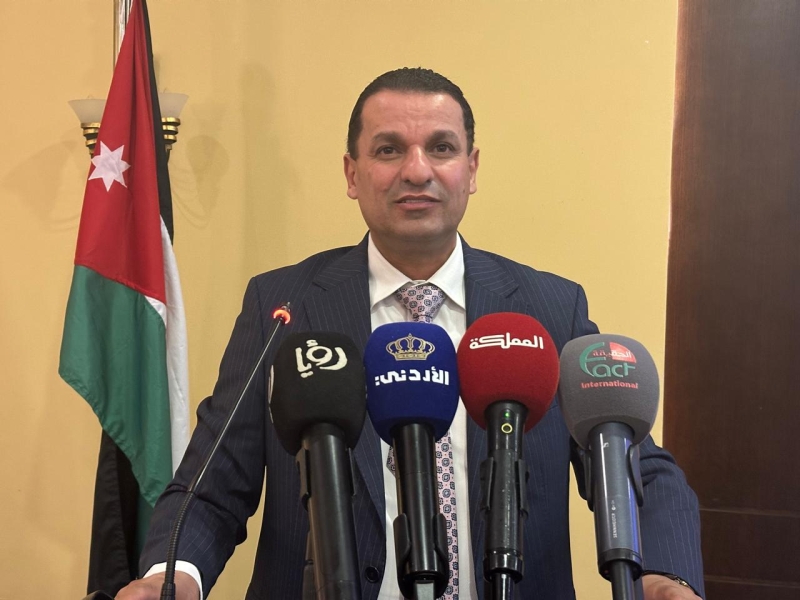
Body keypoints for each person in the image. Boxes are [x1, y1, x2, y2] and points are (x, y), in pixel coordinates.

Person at [117, 68, 704, 600]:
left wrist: (666, 574)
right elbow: (214, 479)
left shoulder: (549, 310)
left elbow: (632, 465)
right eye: (389, 149)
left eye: (441, 148)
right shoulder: (284, 306)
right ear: (352, 173)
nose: (417, 171)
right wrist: (171, 577)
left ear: (471, 169)